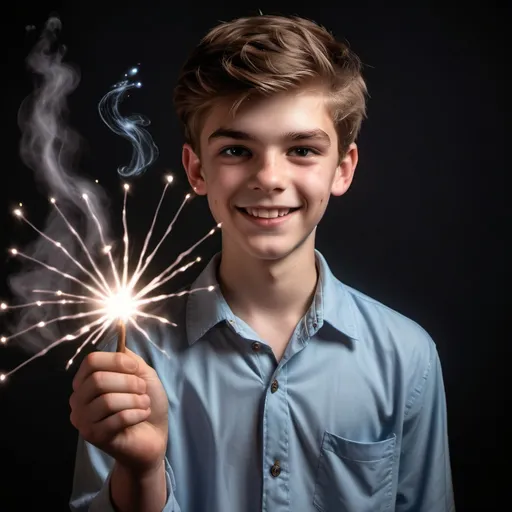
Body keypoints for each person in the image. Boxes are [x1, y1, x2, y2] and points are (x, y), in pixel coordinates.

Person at [69, 14, 455, 512]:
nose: (269, 178)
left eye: (301, 150)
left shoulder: (407, 357)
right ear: (196, 169)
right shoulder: (133, 354)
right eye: (235, 149)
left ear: (342, 169)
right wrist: (141, 472)